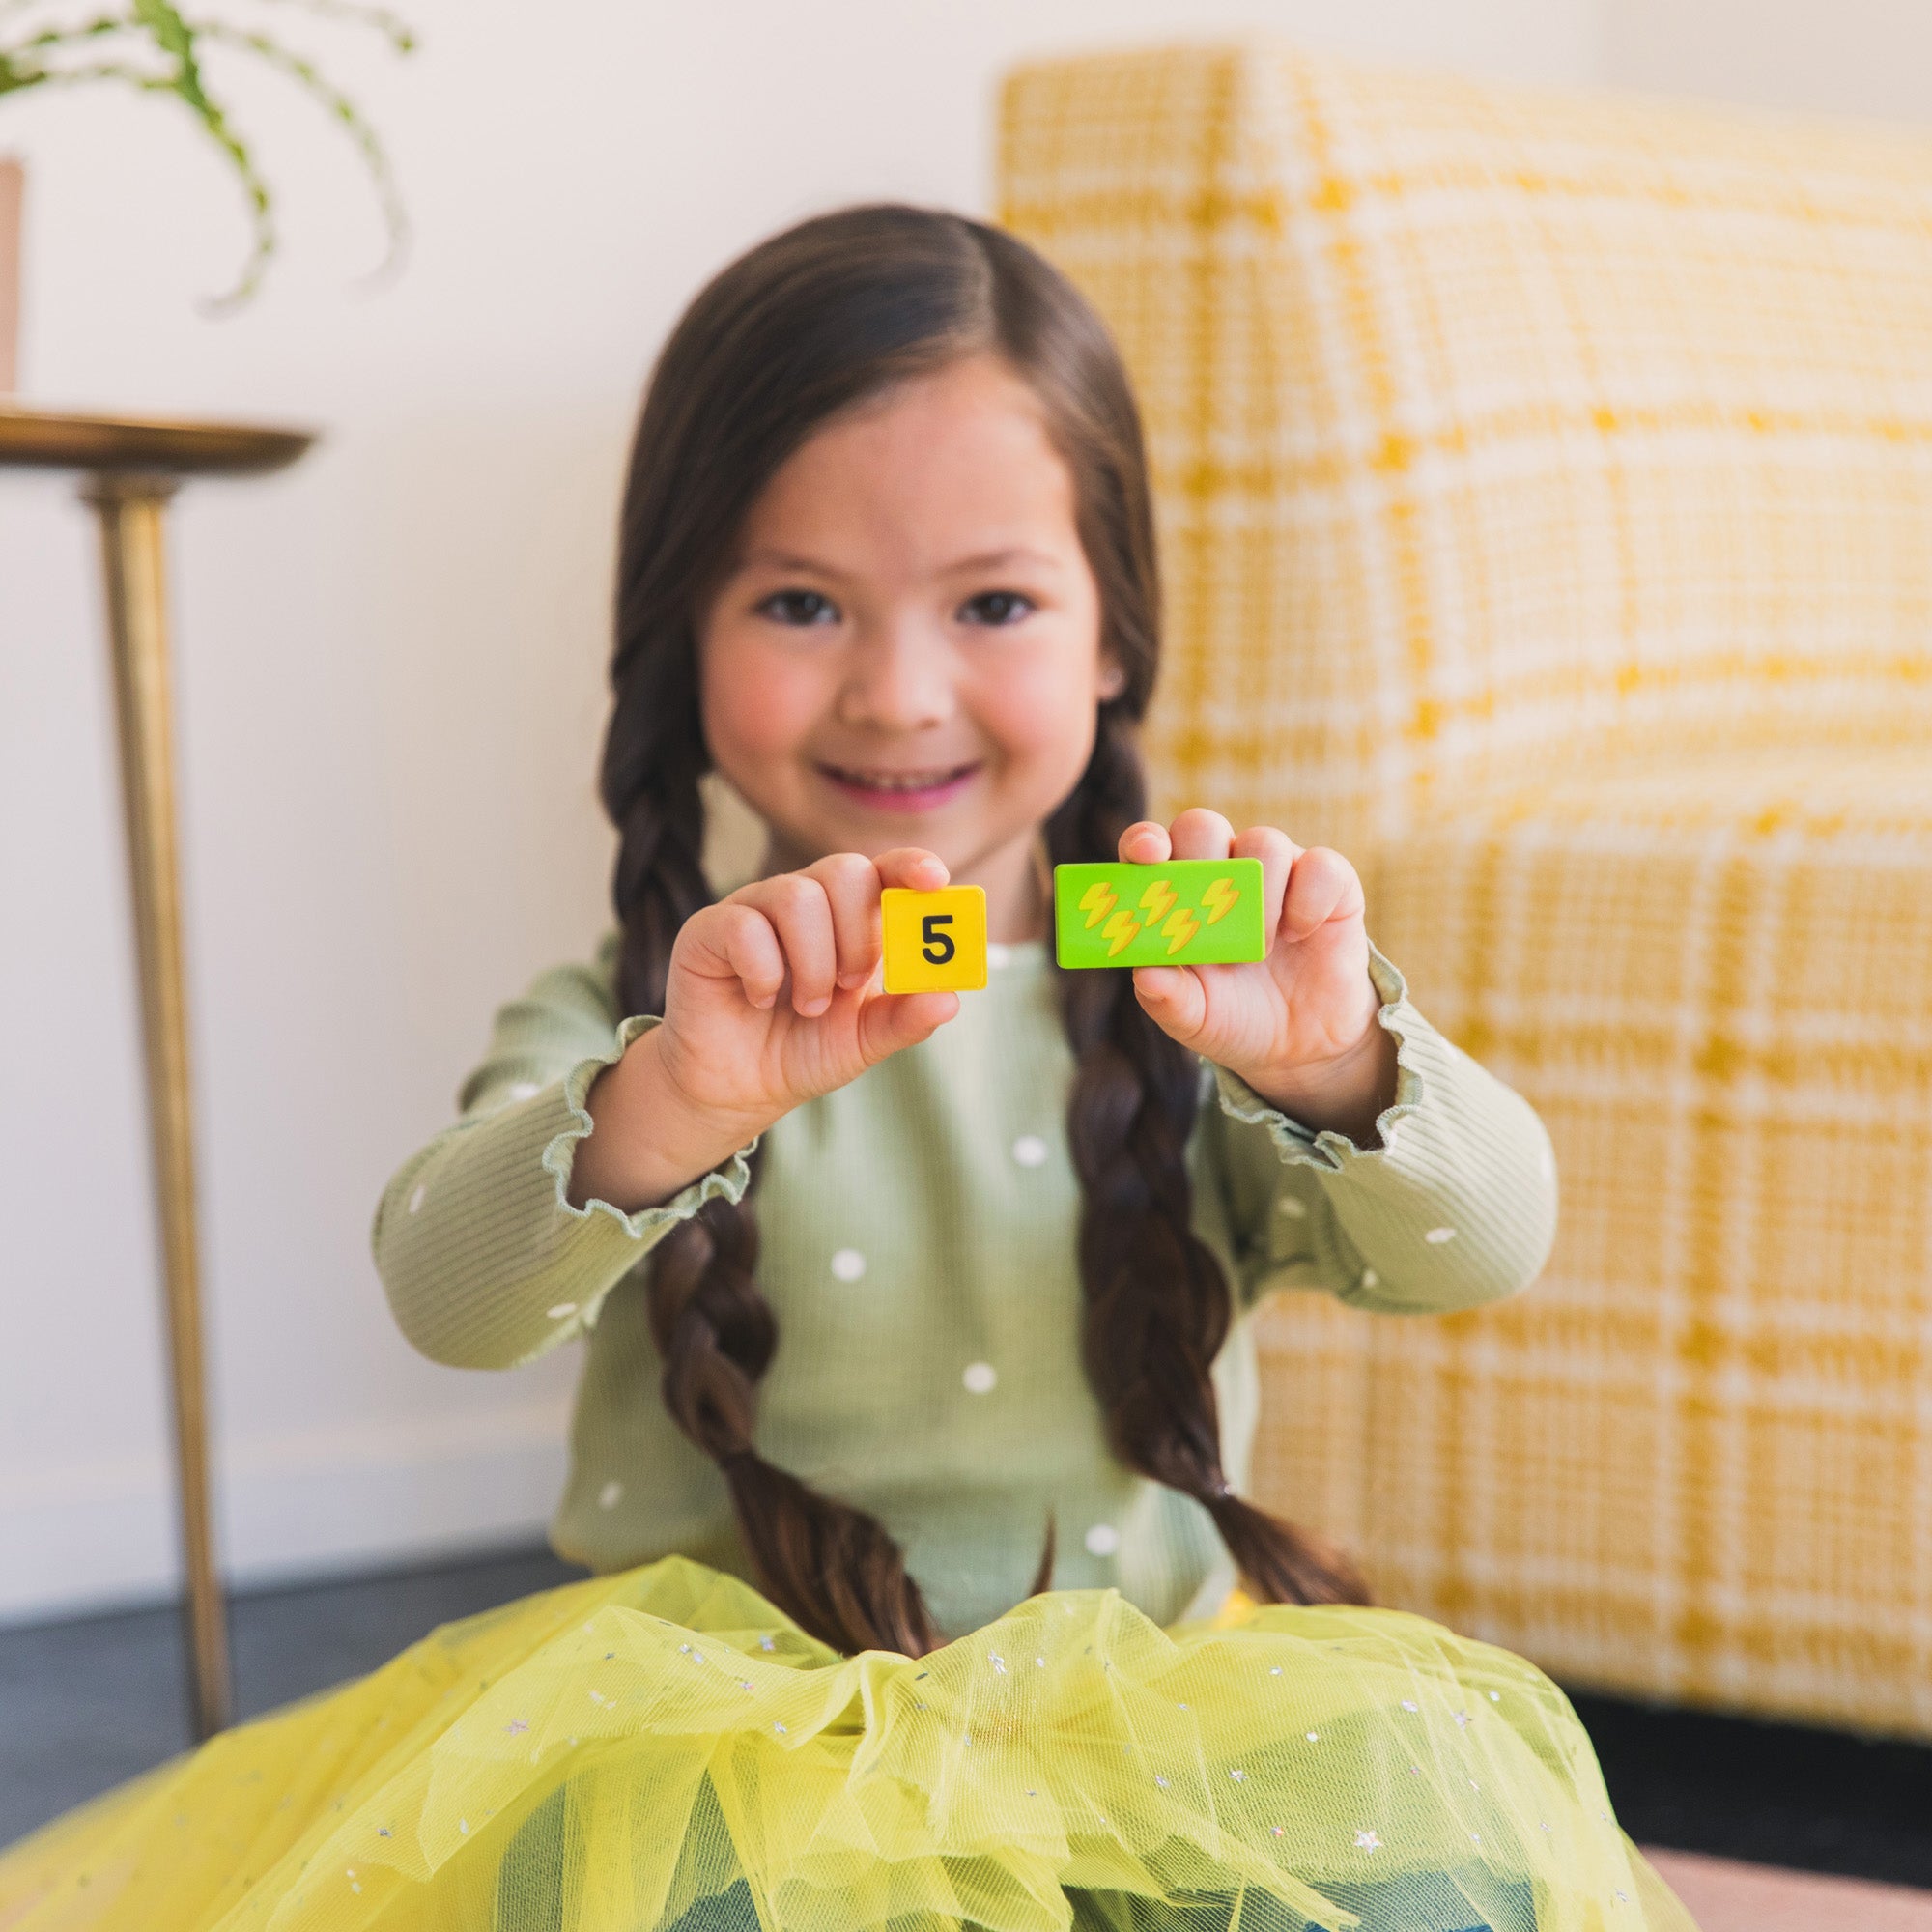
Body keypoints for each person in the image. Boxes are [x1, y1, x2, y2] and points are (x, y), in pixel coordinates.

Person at [0, 206, 1696, 1932]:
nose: (897, 694)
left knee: (1443, 1889)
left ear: (1114, 640)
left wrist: (1337, 1065)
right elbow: (449, 1298)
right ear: (684, 636)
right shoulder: (637, 1011)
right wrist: (673, 1102)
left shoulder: (1202, 993)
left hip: (1159, 1721)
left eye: (997, 603)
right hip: (715, 1752)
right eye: (803, 602)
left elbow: (1486, 1247)